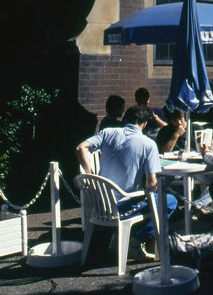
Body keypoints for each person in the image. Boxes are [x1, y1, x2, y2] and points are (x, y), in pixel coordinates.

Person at [75, 105, 177, 256]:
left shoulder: (107, 133)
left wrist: (91, 175)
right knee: (170, 201)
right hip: (123, 207)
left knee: (151, 199)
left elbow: (80, 148)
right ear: (145, 124)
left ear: (125, 120)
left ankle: (119, 236)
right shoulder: (148, 144)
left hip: (98, 205)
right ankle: (135, 239)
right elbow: (151, 184)